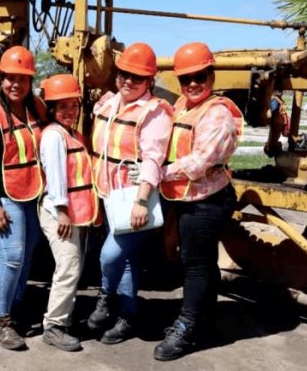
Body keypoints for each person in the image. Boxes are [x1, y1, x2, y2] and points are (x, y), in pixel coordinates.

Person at [155, 42, 243, 361]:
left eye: (200, 76)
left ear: (212, 75)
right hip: (187, 196)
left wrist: (158, 173)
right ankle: (205, 320)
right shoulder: (184, 105)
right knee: (202, 262)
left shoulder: (217, 113)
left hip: (207, 199)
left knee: (195, 264)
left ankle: (188, 326)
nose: (193, 84)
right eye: (186, 78)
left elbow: (200, 160)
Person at [87, 42, 173, 345]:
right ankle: (128, 316)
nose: (127, 82)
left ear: (149, 81)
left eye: (136, 78)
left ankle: (106, 297)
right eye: (123, 74)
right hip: (108, 194)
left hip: (132, 199)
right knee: (126, 260)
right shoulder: (108, 102)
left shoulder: (155, 112)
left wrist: (141, 201)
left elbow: (153, 157)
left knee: (110, 255)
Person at [0, 45, 47, 350]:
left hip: (32, 195)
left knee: (27, 255)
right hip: (6, 198)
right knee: (12, 257)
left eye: (23, 79)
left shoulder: (35, 108)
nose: (16, 84)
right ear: (1, 78)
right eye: (10, 78)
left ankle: (15, 313)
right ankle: (0, 322)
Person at [38, 74, 99, 352]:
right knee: (68, 268)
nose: (69, 112)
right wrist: (62, 211)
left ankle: (63, 319)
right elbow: (56, 176)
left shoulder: (72, 134)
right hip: (60, 212)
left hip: (75, 212)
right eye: (62, 107)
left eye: (73, 106)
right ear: (51, 109)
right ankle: (54, 326)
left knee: (73, 268)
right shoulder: (53, 136)